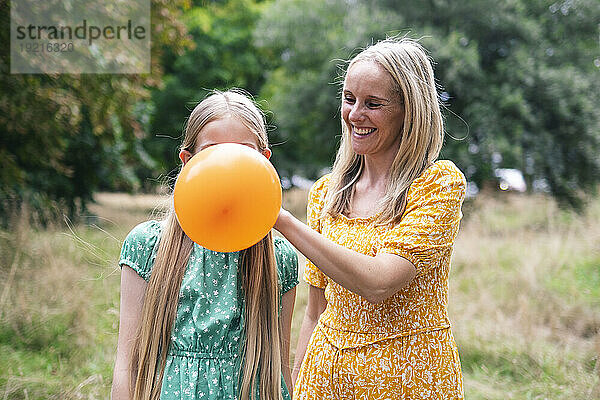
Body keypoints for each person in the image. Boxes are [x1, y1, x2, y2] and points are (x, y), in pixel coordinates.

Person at [274, 37, 466, 399]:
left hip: (408, 380)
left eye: (373, 104)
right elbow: (316, 313)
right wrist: (298, 387)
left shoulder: (437, 185)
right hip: (325, 381)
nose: (355, 114)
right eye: (349, 99)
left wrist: (282, 220)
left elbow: (379, 283)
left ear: (410, 110)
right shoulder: (326, 193)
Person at [111, 90, 298, 400]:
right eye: (213, 152)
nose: (227, 168)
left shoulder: (280, 259)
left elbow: (278, 366)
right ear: (188, 161)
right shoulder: (148, 246)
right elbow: (126, 365)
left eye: (242, 153)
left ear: (265, 162)